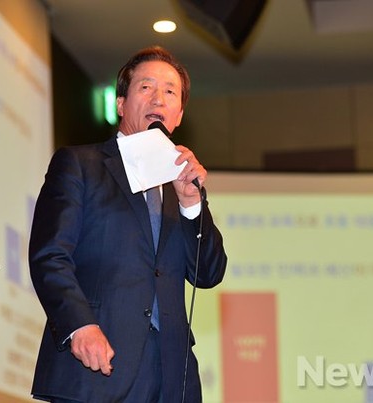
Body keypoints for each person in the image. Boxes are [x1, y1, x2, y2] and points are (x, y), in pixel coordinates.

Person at [28, 46, 228, 403]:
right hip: (96, 367)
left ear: (179, 115)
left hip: (171, 380)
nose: (158, 98)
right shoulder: (80, 164)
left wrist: (192, 204)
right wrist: (80, 325)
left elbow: (208, 274)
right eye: (146, 87)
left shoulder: (181, 185)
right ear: (121, 104)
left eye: (170, 92)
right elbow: (50, 256)